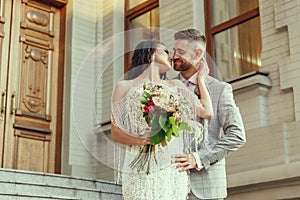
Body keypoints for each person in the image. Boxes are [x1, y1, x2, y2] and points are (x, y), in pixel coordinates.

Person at [111, 39, 213, 200]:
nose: (171, 56)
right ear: (150, 53)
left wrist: (200, 79)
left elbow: (207, 112)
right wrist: (141, 139)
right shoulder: (124, 86)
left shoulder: (176, 85)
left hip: (171, 163)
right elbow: (115, 132)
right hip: (138, 163)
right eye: (165, 51)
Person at [172, 29, 246, 200]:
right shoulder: (166, 88)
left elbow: (237, 135)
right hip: (171, 186)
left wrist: (198, 158)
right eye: (174, 50)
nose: (174, 56)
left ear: (198, 53)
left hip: (207, 189)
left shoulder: (220, 90)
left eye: (180, 52)